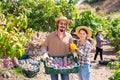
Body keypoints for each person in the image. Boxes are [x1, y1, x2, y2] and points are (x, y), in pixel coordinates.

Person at [41, 16, 73, 80]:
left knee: (65, 78)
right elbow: (44, 46)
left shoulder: (69, 36)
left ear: (66, 26)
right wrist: (44, 53)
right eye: (61, 23)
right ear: (58, 24)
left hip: (65, 63)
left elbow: (71, 48)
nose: (63, 25)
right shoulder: (50, 36)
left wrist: (74, 52)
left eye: (65, 24)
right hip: (52, 63)